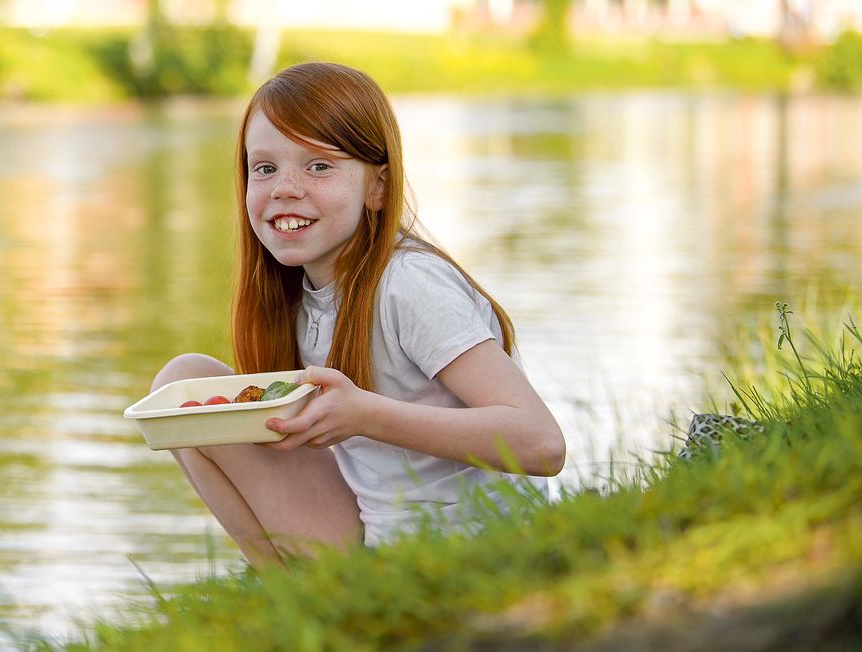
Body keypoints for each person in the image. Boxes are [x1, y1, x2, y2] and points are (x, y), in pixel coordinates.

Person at [150, 62, 566, 570]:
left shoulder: (408, 284)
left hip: (472, 546)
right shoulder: (305, 295)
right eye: (264, 168)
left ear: (378, 188)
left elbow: (542, 445)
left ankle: (315, 601)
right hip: (377, 535)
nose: (284, 187)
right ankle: (288, 600)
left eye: (318, 166)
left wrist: (366, 415)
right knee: (182, 386)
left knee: (188, 386)